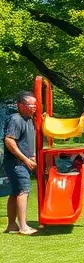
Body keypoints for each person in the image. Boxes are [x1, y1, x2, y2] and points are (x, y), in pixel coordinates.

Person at [4, 91, 38, 235]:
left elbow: (28, 141)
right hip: (16, 163)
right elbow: (9, 141)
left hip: (21, 162)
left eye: (35, 104)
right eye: (30, 104)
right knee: (24, 191)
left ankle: (12, 225)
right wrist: (25, 159)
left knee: (15, 192)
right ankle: (23, 226)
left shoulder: (29, 119)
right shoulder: (16, 119)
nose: (33, 107)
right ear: (20, 105)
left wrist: (33, 155)